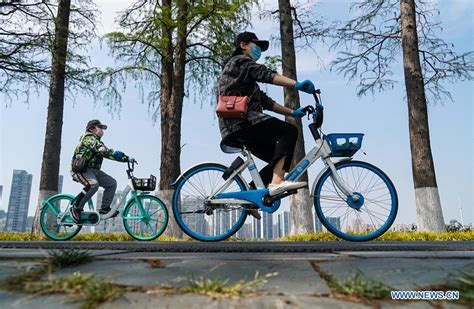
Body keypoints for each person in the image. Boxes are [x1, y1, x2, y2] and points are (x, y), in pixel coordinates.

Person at [218, 31, 316, 199]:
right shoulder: (240, 62)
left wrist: (293, 112)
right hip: (241, 122)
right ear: (243, 45)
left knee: (280, 157)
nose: (258, 50)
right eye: (255, 45)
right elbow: (267, 75)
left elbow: (266, 102)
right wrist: (296, 84)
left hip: (239, 126)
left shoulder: (244, 76)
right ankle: (277, 182)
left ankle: (250, 193)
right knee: (289, 131)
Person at [69, 119, 133, 223]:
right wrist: (117, 153)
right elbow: (102, 150)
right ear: (91, 129)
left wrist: (126, 158)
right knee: (93, 185)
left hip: (94, 171)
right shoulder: (88, 138)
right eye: (100, 127)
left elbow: (107, 154)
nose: (102, 130)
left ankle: (104, 208)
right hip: (80, 170)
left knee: (112, 183)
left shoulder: (98, 142)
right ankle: (76, 208)